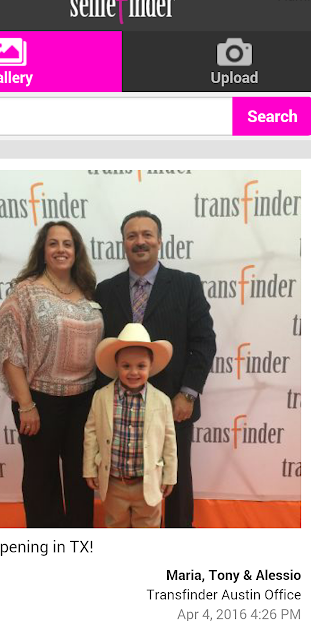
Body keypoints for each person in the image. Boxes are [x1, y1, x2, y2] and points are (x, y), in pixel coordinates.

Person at [95, 211, 216, 528]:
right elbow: (100, 348)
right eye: (132, 235)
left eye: (147, 234)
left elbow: (204, 342)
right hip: (120, 408)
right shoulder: (105, 290)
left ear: (160, 240)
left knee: (176, 479)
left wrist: (187, 394)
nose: (140, 241)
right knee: (125, 483)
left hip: (175, 404)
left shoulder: (187, 285)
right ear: (123, 243)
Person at [0, 222, 103, 528]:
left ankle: (80, 540)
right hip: (39, 402)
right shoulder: (25, 292)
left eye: (67, 244)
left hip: (84, 401)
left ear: (76, 251)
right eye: (53, 243)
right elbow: (10, 350)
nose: (60, 249)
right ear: (42, 251)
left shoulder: (88, 290)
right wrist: (26, 404)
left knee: (81, 477)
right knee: (41, 478)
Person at [83, 324, 177, 528]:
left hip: (148, 483)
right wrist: (89, 469)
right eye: (126, 366)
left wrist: (170, 475)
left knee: (148, 527)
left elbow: (169, 441)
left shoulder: (162, 401)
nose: (133, 372)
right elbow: (91, 433)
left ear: (150, 366)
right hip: (114, 483)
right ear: (116, 365)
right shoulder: (101, 397)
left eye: (141, 366)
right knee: (115, 525)